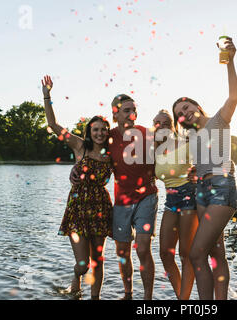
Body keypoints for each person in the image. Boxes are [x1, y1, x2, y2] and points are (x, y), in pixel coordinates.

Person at [70, 94, 158, 300]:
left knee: (143, 248)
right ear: (115, 113)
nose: (132, 114)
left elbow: (171, 153)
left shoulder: (147, 134)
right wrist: (76, 166)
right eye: (127, 110)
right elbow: (89, 150)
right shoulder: (108, 136)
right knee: (122, 252)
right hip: (121, 202)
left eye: (134, 109)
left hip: (147, 197)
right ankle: (128, 295)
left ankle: (148, 299)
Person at [171, 37, 237, 300]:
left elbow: (234, 95)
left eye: (186, 107)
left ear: (196, 106)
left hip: (222, 189)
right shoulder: (190, 139)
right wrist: (193, 171)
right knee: (215, 253)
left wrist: (229, 61)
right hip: (202, 191)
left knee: (196, 253)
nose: (184, 113)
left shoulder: (219, 120)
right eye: (180, 112)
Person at [41, 75, 112, 300]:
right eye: (96, 129)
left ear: (108, 132)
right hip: (78, 208)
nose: (99, 133)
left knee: (98, 261)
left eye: (103, 129)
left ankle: (95, 298)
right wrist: (47, 95)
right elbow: (53, 125)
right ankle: (76, 277)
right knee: (83, 264)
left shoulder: (111, 156)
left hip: (101, 208)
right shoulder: (80, 146)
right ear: (89, 131)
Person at [153, 109, 198, 300]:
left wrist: (198, 170)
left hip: (190, 197)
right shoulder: (153, 150)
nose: (161, 126)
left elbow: (210, 158)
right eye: (157, 123)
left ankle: (184, 300)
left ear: (173, 126)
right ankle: (182, 296)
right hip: (170, 201)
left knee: (185, 253)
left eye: (166, 123)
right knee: (165, 253)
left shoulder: (186, 143)